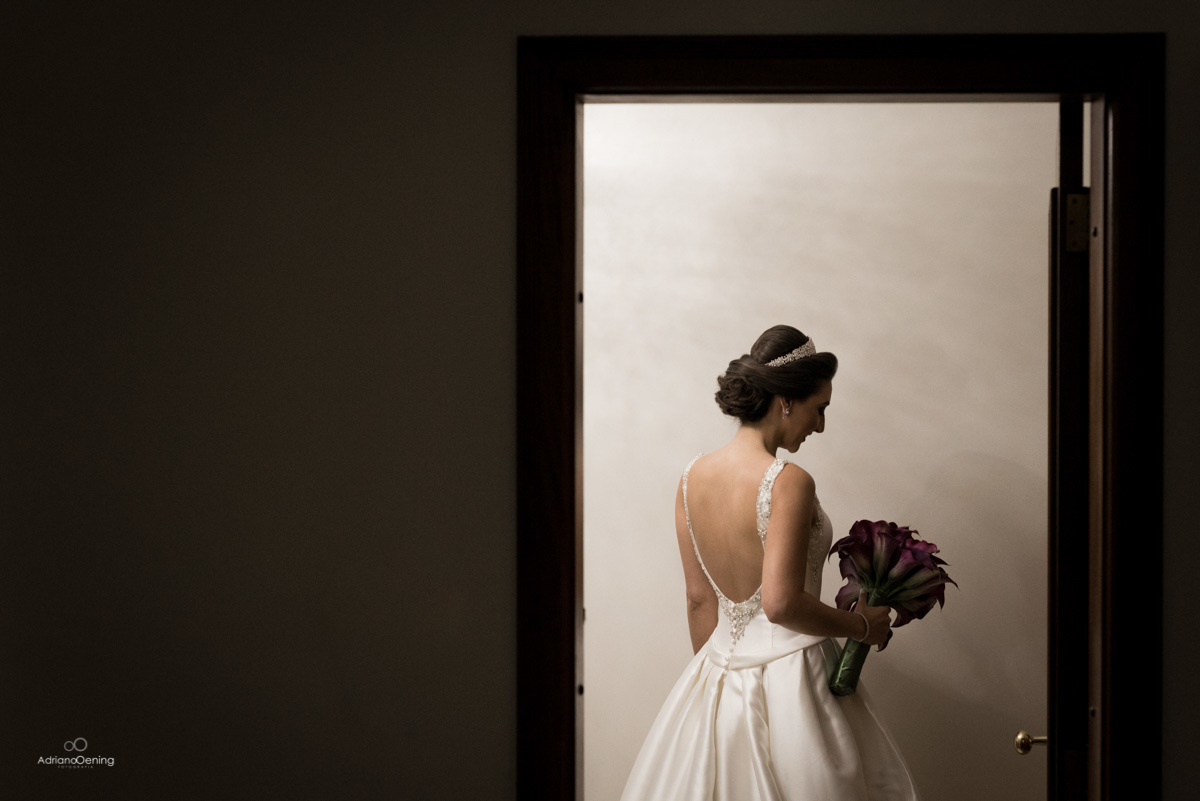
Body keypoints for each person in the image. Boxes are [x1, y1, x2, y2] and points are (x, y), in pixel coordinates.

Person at [620, 325, 921, 801]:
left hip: (714, 677)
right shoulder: (789, 481)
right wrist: (860, 625)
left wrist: (718, 700)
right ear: (785, 399)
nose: (820, 425)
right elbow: (781, 604)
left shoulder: (688, 480)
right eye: (818, 408)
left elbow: (700, 601)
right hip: (794, 680)